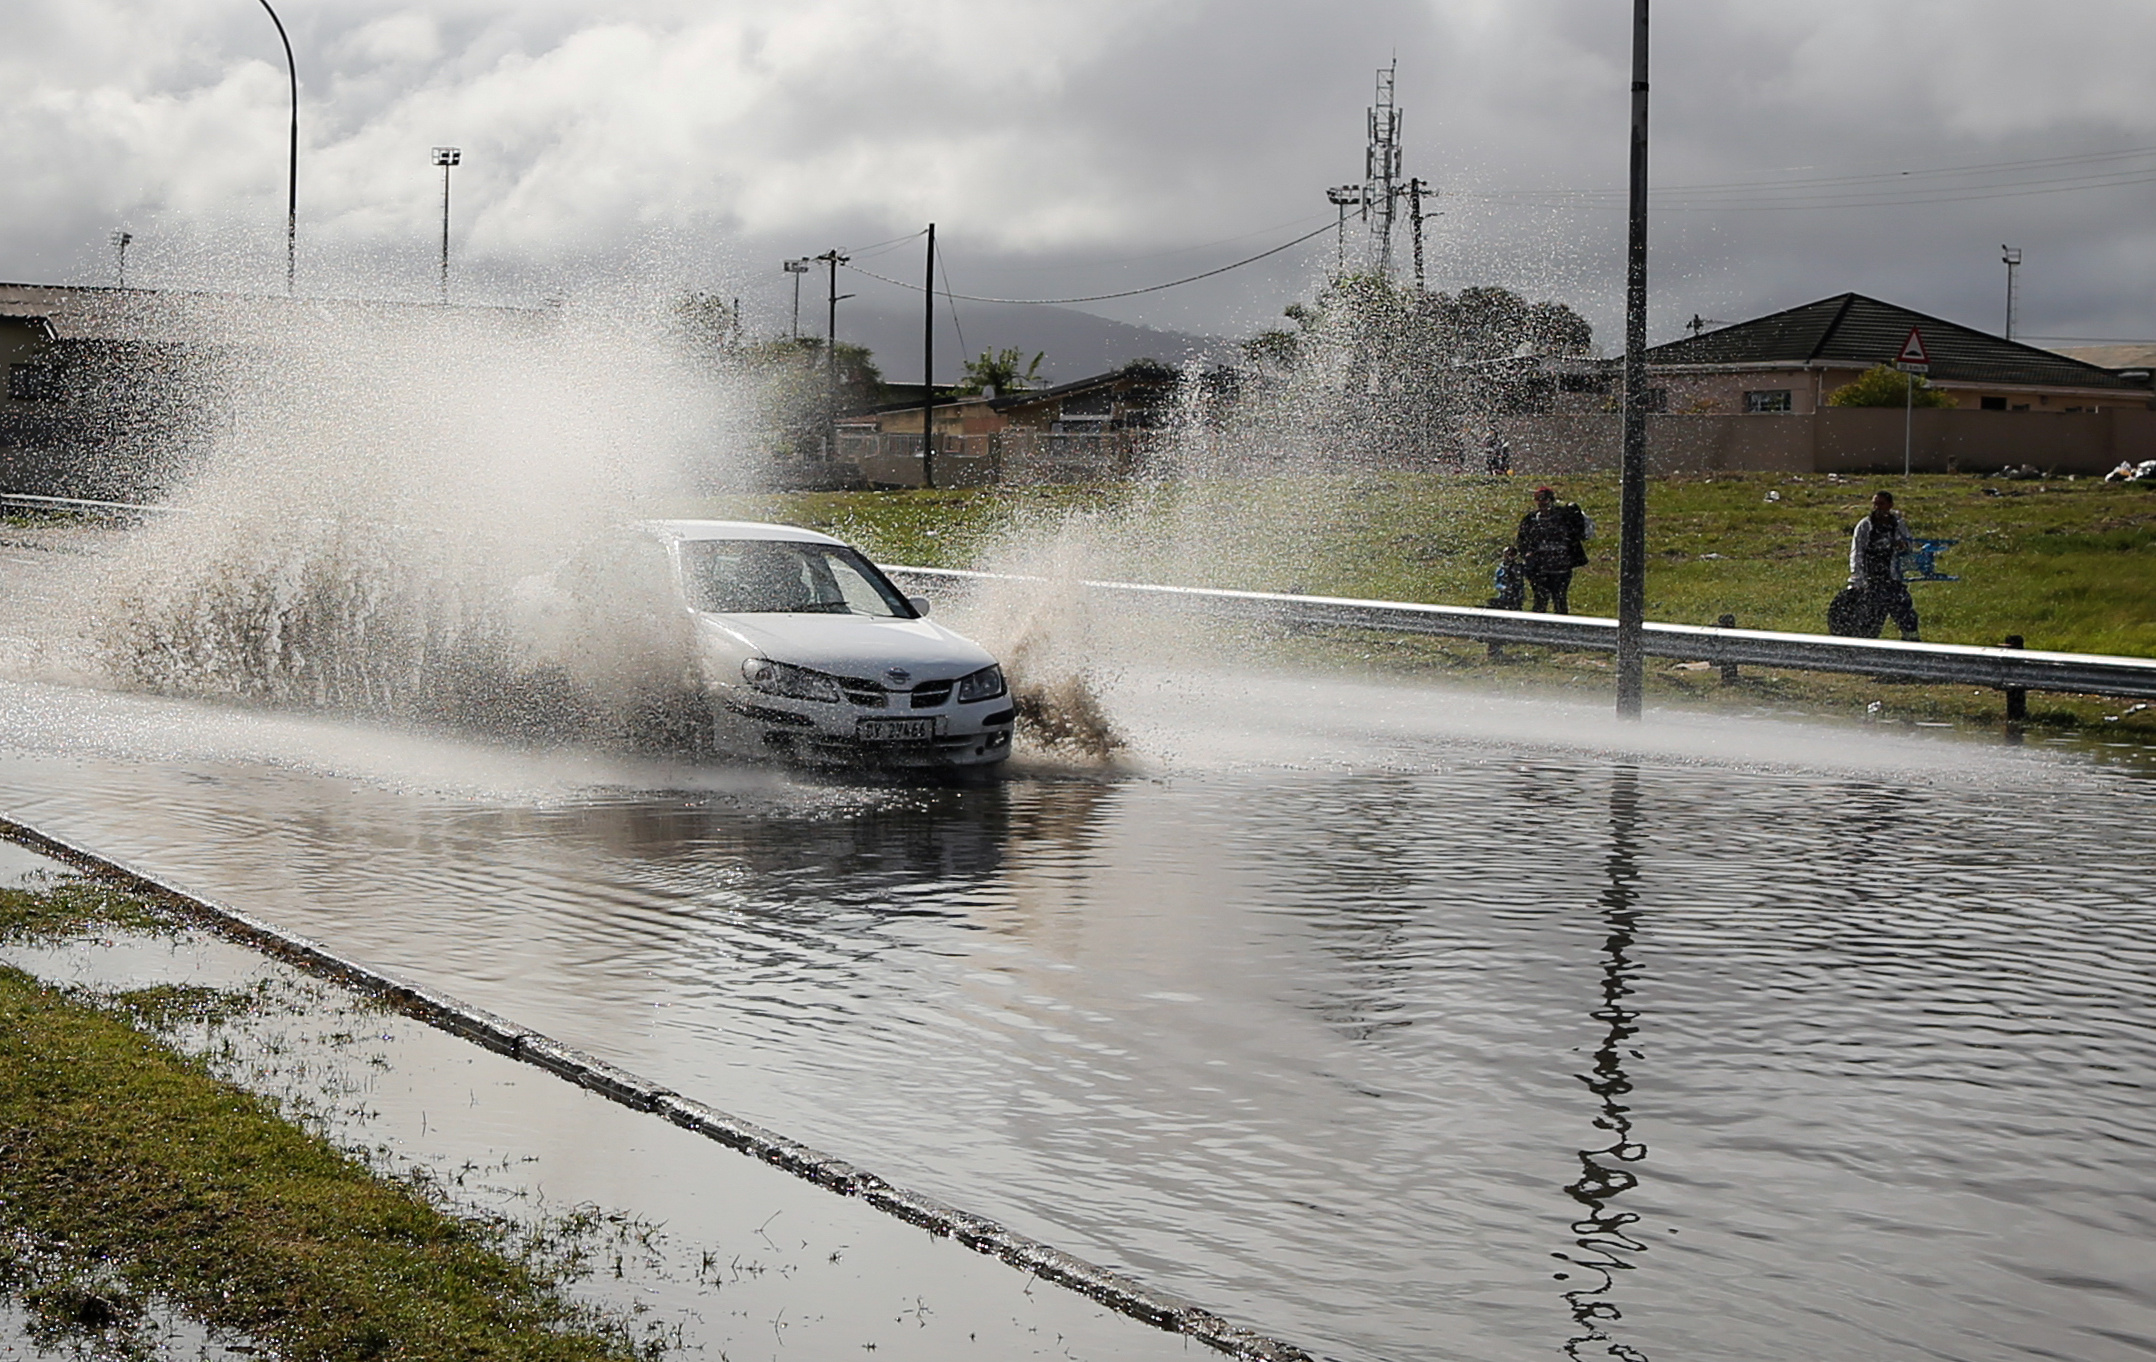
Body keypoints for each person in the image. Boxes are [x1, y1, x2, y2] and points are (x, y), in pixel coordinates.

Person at [1835, 490, 1920, 640]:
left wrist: (1903, 546)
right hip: (1871, 580)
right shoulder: (1865, 525)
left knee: (1906, 613)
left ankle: (1912, 642)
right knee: (1871, 617)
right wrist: (1857, 577)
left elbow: (1909, 546)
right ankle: (1869, 646)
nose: (1877, 508)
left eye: (1881, 504)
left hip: (1892, 578)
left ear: (1890, 505)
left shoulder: (1898, 524)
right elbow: (1857, 552)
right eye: (1874, 504)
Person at [1514, 486, 1590, 614]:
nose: (1541, 502)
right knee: (1539, 600)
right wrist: (1526, 554)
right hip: (1539, 568)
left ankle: (1562, 628)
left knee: (1560, 599)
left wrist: (1574, 511)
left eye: (1544, 499)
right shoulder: (1531, 519)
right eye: (1537, 499)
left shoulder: (1563, 516)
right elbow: (1522, 540)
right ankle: (1537, 628)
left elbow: (1579, 532)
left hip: (1561, 567)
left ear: (1551, 500)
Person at [1488, 546, 1526, 611]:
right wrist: (1504, 588)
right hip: (1504, 596)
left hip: (1516, 596)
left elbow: (1520, 583)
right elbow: (1497, 583)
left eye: (1511, 554)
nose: (1509, 557)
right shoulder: (1501, 568)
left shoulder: (1519, 567)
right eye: (1507, 554)